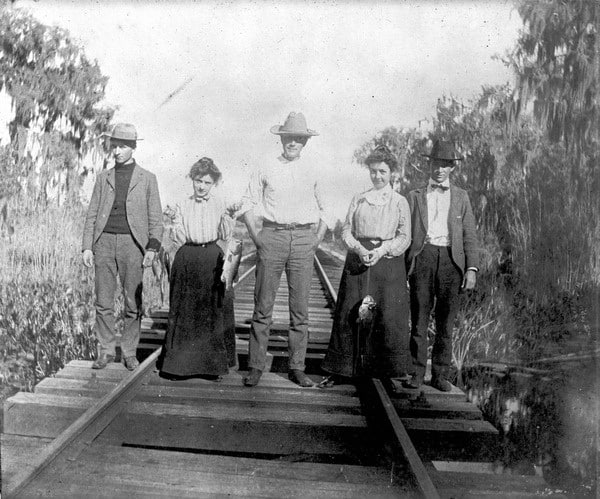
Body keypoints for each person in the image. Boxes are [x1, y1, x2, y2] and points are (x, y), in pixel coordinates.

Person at [239, 111, 334, 387]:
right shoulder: (266, 166)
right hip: (273, 236)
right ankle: (256, 366)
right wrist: (259, 238)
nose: (293, 143)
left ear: (305, 142)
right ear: (281, 139)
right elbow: (247, 203)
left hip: (304, 239)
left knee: (300, 311)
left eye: (298, 139)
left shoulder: (315, 169)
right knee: (263, 306)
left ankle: (297, 367)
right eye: (288, 138)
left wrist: (315, 239)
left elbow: (328, 209)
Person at [319, 145, 411, 387]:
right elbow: (346, 230)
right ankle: (342, 369)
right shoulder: (359, 199)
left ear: (392, 173)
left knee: (387, 316)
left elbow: (404, 237)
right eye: (373, 171)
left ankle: (385, 371)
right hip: (358, 259)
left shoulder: (400, 202)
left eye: (382, 171)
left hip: (388, 263)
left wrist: (381, 251)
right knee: (349, 310)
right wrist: (359, 249)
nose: (377, 176)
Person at [82, 123, 163, 370]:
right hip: (104, 243)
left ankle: (129, 352)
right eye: (114, 146)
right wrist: (87, 246)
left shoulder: (147, 179)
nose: (116, 151)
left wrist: (151, 248)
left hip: (133, 245)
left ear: (133, 148)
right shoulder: (103, 177)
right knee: (103, 302)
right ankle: (105, 351)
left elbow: (156, 219)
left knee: (132, 303)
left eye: (123, 146)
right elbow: (92, 214)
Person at [404, 139, 480, 391]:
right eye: (436, 164)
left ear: (452, 168)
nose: (439, 169)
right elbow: (404, 233)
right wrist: (405, 266)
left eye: (445, 165)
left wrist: (471, 268)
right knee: (419, 320)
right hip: (423, 258)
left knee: (446, 322)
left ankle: (439, 376)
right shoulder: (415, 196)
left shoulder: (461, 197)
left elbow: (469, 234)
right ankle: (415, 373)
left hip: (451, 262)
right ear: (430, 165)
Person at [157, 157, 235, 379]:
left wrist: (229, 216)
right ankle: (179, 367)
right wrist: (172, 220)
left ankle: (210, 367)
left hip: (212, 257)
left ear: (214, 184)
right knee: (185, 311)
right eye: (198, 181)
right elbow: (179, 236)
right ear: (192, 180)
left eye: (207, 183)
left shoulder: (221, 204)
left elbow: (225, 235)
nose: (201, 186)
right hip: (187, 257)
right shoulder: (182, 204)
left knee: (211, 310)